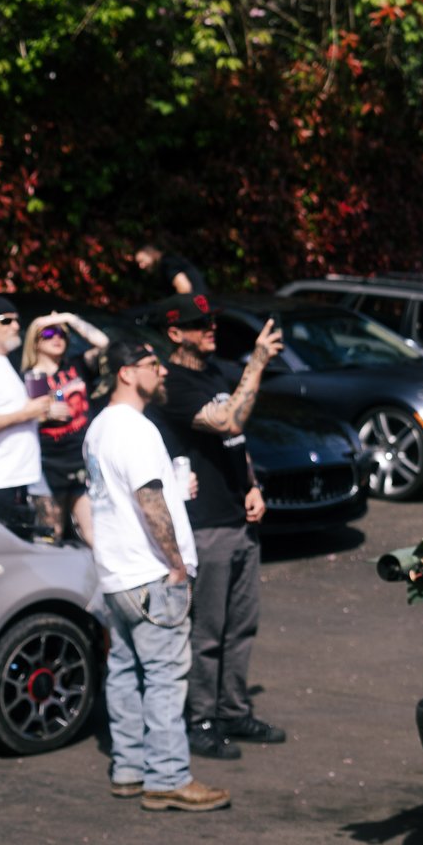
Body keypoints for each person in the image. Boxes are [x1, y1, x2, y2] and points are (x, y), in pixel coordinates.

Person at [84, 335, 226, 813]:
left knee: (123, 672)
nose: (162, 371)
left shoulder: (99, 427)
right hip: (150, 574)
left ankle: (129, 769)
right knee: (165, 676)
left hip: (115, 573)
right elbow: (148, 501)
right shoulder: (136, 429)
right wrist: (176, 565)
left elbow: (112, 498)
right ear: (127, 372)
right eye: (152, 364)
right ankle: (167, 777)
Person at [155, 294, 288, 760]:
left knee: (242, 625)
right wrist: (257, 362)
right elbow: (227, 416)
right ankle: (202, 721)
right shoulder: (169, 384)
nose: (210, 329)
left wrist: (250, 483)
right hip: (204, 524)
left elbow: (235, 435)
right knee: (207, 631)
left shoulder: (211, 373)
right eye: (198, 324)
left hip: (237, 517)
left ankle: (233, 710)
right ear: (175, 333)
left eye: (211, 320)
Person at [0, 295, 66, 537]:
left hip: (15, 478)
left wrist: (38, 411)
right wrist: (26, 412)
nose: (16, 326)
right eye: (6, 321)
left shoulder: (0, 361)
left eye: (17, 321)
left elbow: (7, 412)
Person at [22, 310, 109, 544]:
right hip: (49, 464)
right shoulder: (32, 378)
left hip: (82, 460)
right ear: (35, 341)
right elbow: (24, 418)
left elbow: (105, 344)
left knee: (94, 534)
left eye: (61, 333)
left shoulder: (77, 366)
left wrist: (70, 319)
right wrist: (43, 414)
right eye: (48, 333)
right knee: (52, 534)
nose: (56, 337)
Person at [132, 243, 206, 298]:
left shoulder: (167, 264)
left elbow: (184, 289)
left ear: (151, 254)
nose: (141, 266)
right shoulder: (171, 260)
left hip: (195, 308)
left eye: (142, 261)